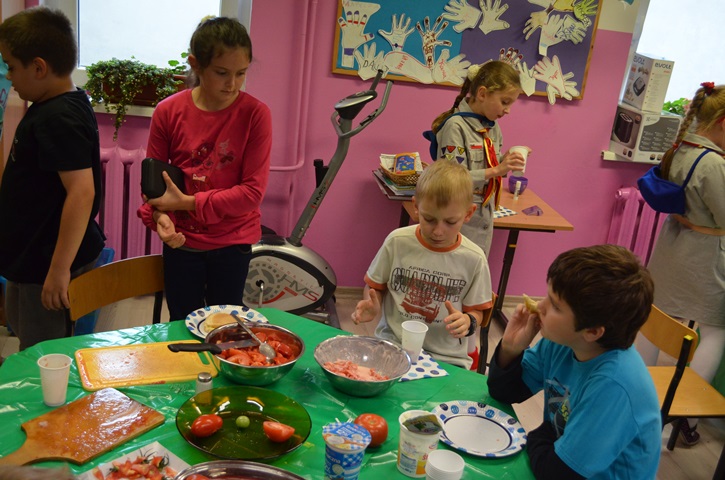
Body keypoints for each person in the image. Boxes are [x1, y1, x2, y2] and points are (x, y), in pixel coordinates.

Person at [137, 16, 272, 321]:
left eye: (241, 73)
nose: (233, 84)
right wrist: (160, 217)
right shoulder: (168, 111)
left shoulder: (256, 115)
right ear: (195, 65)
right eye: (222, 73)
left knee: (224, 328)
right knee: (182, 324)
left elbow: (251, 194)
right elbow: (154, 188)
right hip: (182, 242)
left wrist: (186, 203)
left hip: (232, 244)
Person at [487, 245, 661, 479]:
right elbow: (504, 392)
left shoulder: (613, 384)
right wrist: (510, 349)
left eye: (555, 306)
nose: (540, 306)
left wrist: (539, 435)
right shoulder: (563, 342)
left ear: (592, 332)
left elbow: (557, 473)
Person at [0, 7, 105, 350]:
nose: (9, 76)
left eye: (11, 67)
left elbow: (82, 192)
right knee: (27, 335)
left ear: (38, 68)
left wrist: (59, 270)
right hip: (32, 258)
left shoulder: (58, 118)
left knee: (43, 354)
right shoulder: (59, 103)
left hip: (47, 263)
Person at [640, 81, 725, 446]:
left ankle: (644, 398)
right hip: (702, 259)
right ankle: (682, 415)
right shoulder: (714, 163)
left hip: (672, 249)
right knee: (714, 330)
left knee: (659, 322)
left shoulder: (679, 148)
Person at [352, 160, 493, 369]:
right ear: (416, 207)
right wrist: (372, 304)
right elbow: (375, 288)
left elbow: (478, 313)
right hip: (393, 346)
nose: (438, 231)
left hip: (447, 358)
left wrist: (468, 322)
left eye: (450, 222)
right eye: (429, 219)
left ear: (468, 214)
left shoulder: (474, 258)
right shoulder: (397, 242)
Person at [431, 60, 526, 256]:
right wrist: (498, 170)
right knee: (453, 265)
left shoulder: (492, 127)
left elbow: (489, 163)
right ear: (482, 94)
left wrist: (505, 160)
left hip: (484, 212)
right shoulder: (456, 126)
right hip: (457, 215)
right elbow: (452, 179)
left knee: (476, 264)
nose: (508, 110)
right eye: (505, 102)